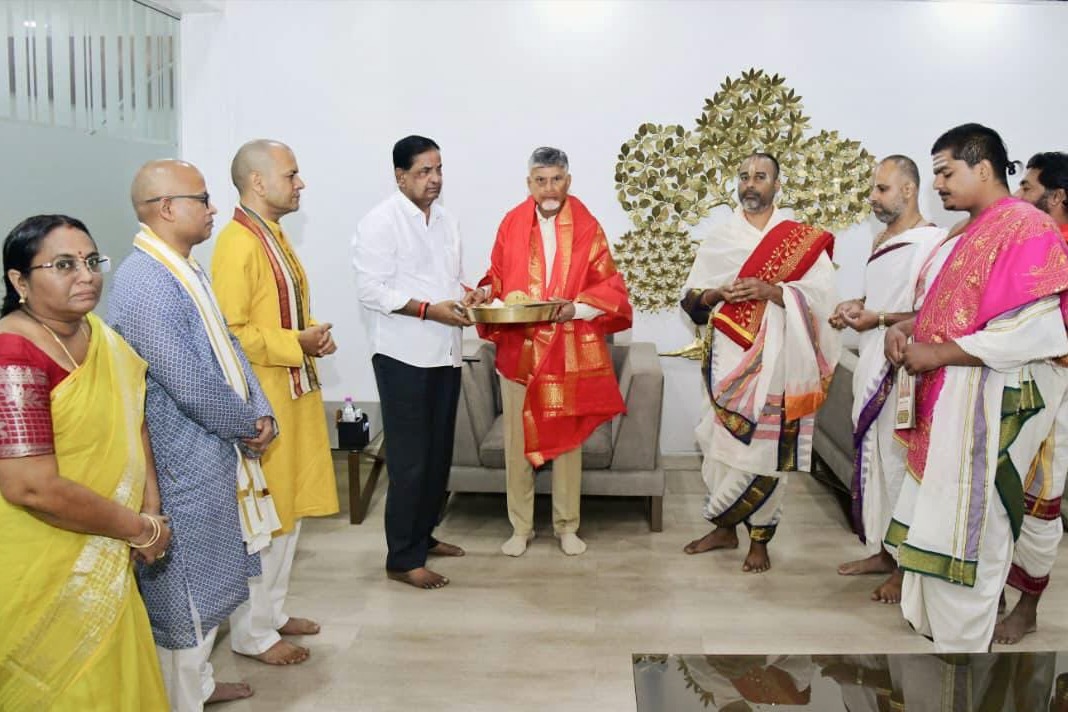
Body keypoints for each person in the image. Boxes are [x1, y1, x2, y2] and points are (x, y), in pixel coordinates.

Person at [884, 124, 1068, 652]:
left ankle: (965, 656)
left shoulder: (1027, 227)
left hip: (991, 404)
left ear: (982, 168)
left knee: (978, 530)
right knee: (942, 522)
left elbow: (1034, 331)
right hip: (952, 401)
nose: (937, 184)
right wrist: (909, 328)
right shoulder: (969, 231)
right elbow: (955, 313)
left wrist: (936, 353)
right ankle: (950, 651)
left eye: (945, 172)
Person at [110, 159, 279, 708]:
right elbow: (188, 381)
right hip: (179, 463)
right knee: (183, 596)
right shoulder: (144, 282)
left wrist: (259, 410)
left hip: (209, 452)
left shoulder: (183, 268)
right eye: (202, 199)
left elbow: (227, 347)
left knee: (208, 589)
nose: (212, 208)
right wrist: (246, 423)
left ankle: (199, 685)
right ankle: (181, 698)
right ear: (166, 208)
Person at [0, 214, 170, 709]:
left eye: (92, 261)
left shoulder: (100, 336)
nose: (86, 275)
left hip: (111, 540)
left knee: (116, 678)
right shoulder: (13, 353)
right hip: (40, 556)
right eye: (64, 265)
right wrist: (138, 528)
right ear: (19, 281)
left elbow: (134, 420)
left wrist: (151, 513)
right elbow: (31, 488)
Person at [681, 153, 840, 573]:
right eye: (744, 176)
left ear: (777, 185)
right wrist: (717, 294)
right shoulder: (720, 238)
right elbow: (691, 298)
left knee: (766, 450)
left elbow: (823, 300)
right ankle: (723, 527)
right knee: (718, 446)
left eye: (761, 176)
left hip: (780, 361)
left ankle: (760, 539)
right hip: (727, 360)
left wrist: (776, 292)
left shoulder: (799, 240)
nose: (750, 183)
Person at [212, 139, 339, 662]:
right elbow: (231, 333)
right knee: (265, 518)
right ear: (258, 182)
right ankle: (253, 634)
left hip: (293, 391)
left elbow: (279, 315)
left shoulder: (272, 234)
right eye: (291, 174)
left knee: (290, 510)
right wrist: (296, 342)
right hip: (264, 400)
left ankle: (274, 613)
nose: (300, 183)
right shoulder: (236, 244)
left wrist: (311, 335)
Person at [476, 146, 632, 557]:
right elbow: (496, 277)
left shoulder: (587, 226)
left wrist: (574, 309)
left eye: (556, 179)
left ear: (568, 181)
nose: (549, 188)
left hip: (567, 352)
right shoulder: (511, 223)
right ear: (529, 183)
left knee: (567, 443)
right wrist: (484, 292)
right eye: (541, 180)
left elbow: (609, 286)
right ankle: (521, 527)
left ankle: (567, 526)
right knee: (517, 444)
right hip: (520, 351)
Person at [352, 135, 471, 589]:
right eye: (424, 171)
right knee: (410, 461)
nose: (434, 179)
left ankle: (423, 535)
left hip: (446, 353)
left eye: (438, 169)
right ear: (400, 176)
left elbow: (451, 281)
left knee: (438, 456)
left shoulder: (446, 220)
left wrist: (470, 296)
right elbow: (372, 290)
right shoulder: (380, 222)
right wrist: (427, 310)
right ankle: (402, 558)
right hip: (402, 356)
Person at [829, 155, 944, 604]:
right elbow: (880, 299)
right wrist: (856, 306)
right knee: (874, 462)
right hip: (872, 361)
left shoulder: (932, 244)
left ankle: (904, 565)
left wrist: (876, 318)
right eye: (874, 189)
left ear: (909, 190)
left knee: (899, 466)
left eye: (882, 189)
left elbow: (931, 312)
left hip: (904, 367)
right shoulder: (883, 240)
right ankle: (882, 550)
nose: (873, 198)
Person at [994, 151, 1068, 645]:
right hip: (1013, 381)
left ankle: (1029, 606)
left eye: (1028, 187)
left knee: (1040, 498)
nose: (1019, 195)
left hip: (1055, 393)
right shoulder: (1031, 245)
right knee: (997, 491)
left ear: (1056, 197)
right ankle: (992, 587)